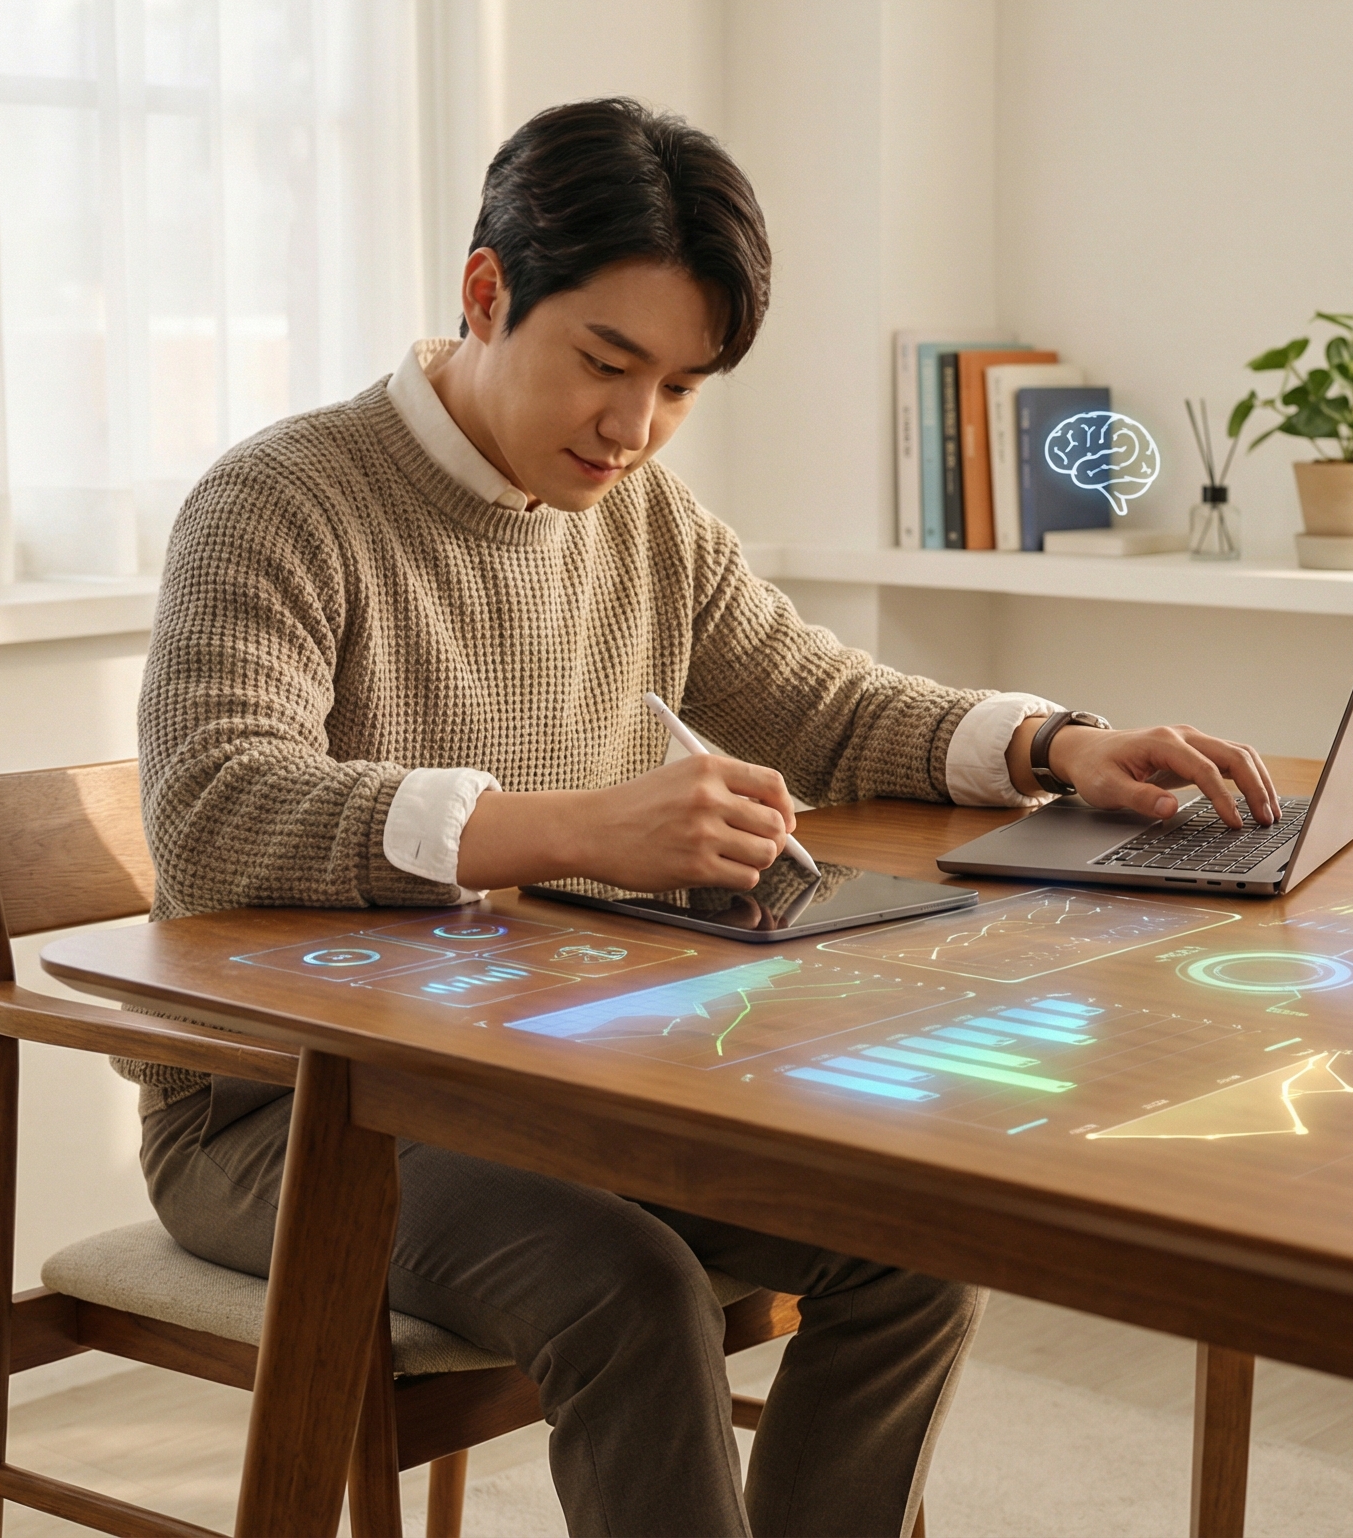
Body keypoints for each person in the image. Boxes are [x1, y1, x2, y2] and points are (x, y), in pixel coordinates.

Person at [131, 97, 1280, 1537]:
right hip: (291, 1117)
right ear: (486, 294)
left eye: (681, 387)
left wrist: (1059, 744)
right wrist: (574, 829)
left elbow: (822, 702)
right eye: (606, 364)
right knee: (625, 1286)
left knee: (917, 1245)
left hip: (560, 1080)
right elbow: (217, 812)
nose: (636, 427)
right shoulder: (278, 503)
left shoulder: (645, 519)